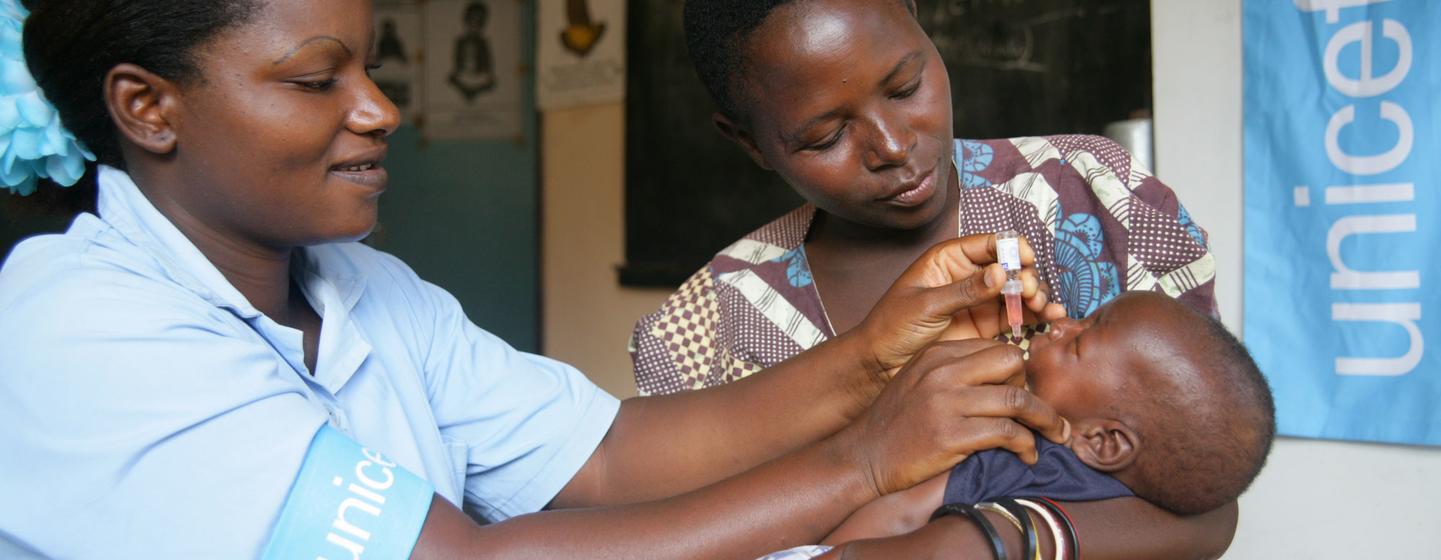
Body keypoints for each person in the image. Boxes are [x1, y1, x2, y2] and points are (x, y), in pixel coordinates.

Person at [0, 1, 1070, 558]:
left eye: (373, 69)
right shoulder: (80, 329)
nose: (376, 109)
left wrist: (874, 349)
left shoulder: (363, 290)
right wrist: (866, 458)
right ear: (148, 107)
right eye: (316, 79)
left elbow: (604, 457)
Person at [632, 0, 1236, 556]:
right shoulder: (701, 331)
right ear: (749, 141)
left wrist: (991, 542)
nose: (893, 146)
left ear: (917, 19)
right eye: (825, 136)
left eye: (905, 86)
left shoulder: (1088, 196)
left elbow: (1209, 495)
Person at [823, 291, 1276, 547]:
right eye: (1087, 318)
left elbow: (900, 516)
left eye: (1078, 344)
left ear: (1103, 442)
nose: (1062, 324)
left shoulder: (1018, 454)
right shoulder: (1134, 502)